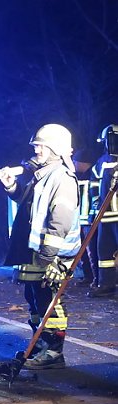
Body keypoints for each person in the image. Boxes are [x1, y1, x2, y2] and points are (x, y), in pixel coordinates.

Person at [0, 124, 81, 369]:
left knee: (50, 301)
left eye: (40, 146)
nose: (36, 150)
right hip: (36, 252)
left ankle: (54, 352)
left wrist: (49, 256)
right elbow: (28, 205)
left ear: (55, 148)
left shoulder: (61, 178)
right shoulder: (43, 174)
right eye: (36, 146)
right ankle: (42, 343)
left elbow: (60, 221)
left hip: (52, 255)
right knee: (34, 299)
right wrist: (12, 186)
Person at [89, 124, 118, 298]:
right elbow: (94, 184)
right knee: (104, 252)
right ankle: (106, 284)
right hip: (105, 216)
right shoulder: (101, 162)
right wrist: (95, 204)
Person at [73, 150, 99, 288]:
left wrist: (92, 215)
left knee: (91, 251)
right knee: (83, 251)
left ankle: (95, 278)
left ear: (82, 162)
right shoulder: (78, 176)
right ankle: (88, 276)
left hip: (89, 220)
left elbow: (95, 197)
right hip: (80, 220)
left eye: (75, 162)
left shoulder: (93, 175)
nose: (74, 164)